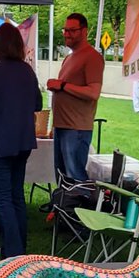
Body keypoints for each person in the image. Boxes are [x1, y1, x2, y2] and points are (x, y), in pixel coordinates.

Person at [0, 23, 42, 258]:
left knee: (3, 199)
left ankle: (12, 254)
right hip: (22, 142)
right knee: (16, 197)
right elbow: (38, 104)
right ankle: (16, 248)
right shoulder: (27, 71)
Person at [47, 12, 103, 184]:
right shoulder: (69, 57)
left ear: (84, 31)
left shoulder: (92, 57)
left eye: (72, 30)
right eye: (65, 30)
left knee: (74, 177)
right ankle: (64, 209)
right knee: (62, 176)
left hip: (77, 129)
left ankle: (77, 210)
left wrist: (63, 86)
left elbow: (93, 93)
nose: (66, 34)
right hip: (62, 126)